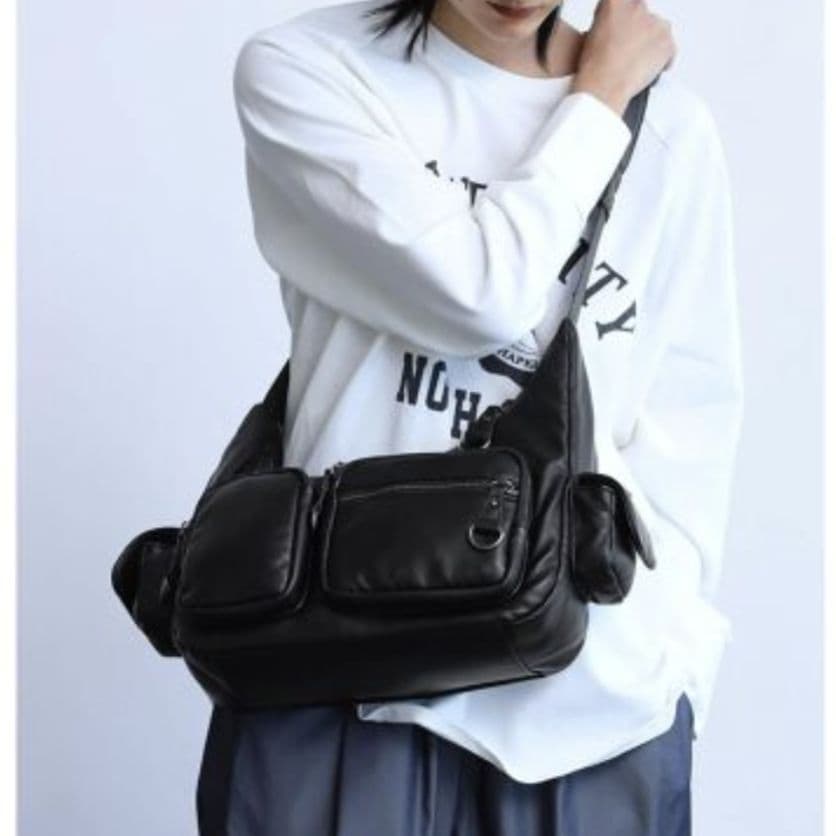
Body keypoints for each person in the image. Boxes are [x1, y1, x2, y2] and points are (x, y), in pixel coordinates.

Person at [196, 0, 745, 833]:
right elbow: (480, 294)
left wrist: (678, 661)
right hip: (343, 675)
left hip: (591, 705)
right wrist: (598, 99)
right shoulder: (310, 72)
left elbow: (691, 416)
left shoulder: (672, 128)